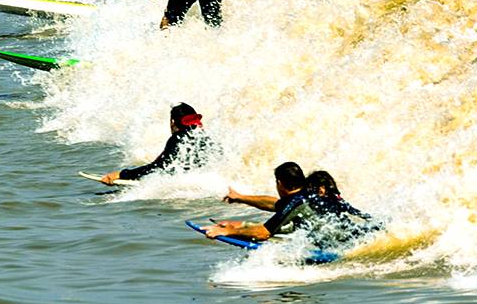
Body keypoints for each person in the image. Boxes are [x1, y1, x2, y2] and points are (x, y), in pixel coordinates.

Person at [204, 163, 376, 247]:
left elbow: (264, 233)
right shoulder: (314, 194)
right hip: (366, 233)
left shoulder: (297, 203)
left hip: (343, 243)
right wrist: (241, 198)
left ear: (279, 183)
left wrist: (229, 231)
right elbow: (275, 204)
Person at [97, 103, 218, 185]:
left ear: (173, 121)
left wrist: (122, 174)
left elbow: (160, 166)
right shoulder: (205, 137)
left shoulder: (177, 138)